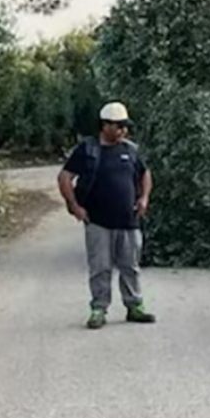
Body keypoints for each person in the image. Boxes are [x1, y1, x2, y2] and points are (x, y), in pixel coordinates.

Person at [57, 102, 155, 329]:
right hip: (97, 221)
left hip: (129, 220)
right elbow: (64, 178)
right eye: (118, 126)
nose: (123, 131)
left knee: (130, 265)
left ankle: (134, 306)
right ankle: (98, 308)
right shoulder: (87, 150)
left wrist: (144, 198)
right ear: (105, 126)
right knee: (100, 267)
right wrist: (74, 206)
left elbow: (145, 173)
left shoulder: (131, 150)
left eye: (125, 126)